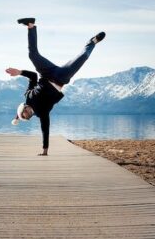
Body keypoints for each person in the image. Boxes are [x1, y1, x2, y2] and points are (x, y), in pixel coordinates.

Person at [6, 17, 106, 156]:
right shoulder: (42, 113)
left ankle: (30, 26)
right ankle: (92, 42)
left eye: (25, 114)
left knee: (32, 55)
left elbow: (33, 76)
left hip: (46, 72)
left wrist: (20, 72)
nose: (28, 115)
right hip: (60, 77)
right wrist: (45, 151)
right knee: (82, 58)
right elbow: (45, 129)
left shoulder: (27, 96)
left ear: (24, 108)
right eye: (27, 117)